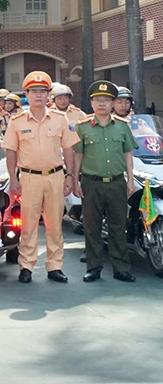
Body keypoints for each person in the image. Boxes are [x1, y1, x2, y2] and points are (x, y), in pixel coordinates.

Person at [2, 71, 80, 284]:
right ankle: (26, 266)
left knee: (55, 224)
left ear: (48, 95)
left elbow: (69, 150)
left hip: (55, 175)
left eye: (43, 91)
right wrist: (13, 179)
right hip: (28, 177)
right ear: (26, 94)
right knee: (28, 224)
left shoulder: (60, 119)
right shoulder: (17, 121)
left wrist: (70, 176)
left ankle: (55, 266)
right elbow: (11, 152)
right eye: (34, 91)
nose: (38, 95)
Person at [74, 81, 137, 283]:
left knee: (118, 226)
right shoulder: (82, 127)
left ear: (112, 104)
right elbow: (78, 155)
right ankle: (94, 267)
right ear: (91, 103)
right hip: (92, 183)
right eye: (98, 100)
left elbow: (128, 153)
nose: (102, 104)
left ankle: (121, 268)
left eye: (107, 100)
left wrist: (130, 180)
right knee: (91, 227)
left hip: (117, 182)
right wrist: (75, 180)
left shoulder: (122, 126)